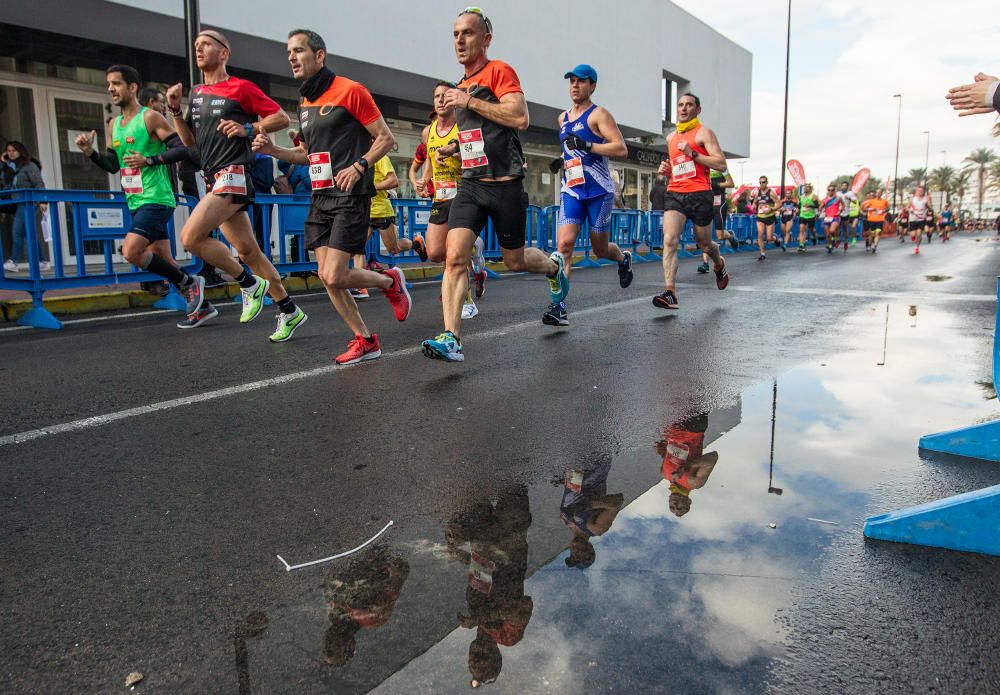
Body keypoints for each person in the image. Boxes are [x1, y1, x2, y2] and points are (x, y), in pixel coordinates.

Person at [420, 8, 568, 362]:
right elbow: (478, 134)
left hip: (505, 184)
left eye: (467, 33)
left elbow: (519, 117)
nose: (459, 40)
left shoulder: (498, 71)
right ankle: (451, 337)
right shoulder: (458, 88)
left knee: (514, 261)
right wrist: (455, 147)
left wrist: (469, 101)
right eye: (455, 33)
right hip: (470, 185)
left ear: (485, 39)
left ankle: (553, 267)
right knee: (454, 258)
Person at [254, 29, 411, 364]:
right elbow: (306, 155)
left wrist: (359, 166)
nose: (292, 58)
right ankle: (365, 339)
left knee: (335, 274)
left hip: (351, 195)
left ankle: (388, 280)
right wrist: (273, 149)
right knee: (327, 277)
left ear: (319, 55)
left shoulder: (351, 90)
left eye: (299, 51)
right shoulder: (305, 102)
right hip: (321, 195)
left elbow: (385, 139)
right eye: (289, 53)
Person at [166, 29, 307, 339]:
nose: (199, 49)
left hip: (234, 174)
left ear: (224, 53)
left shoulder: (240, 87)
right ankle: (289, 310)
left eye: (205, 44)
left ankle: (249, 283)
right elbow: (191, 143)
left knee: (190, 237)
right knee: (249, 252)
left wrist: (248, 127)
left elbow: (281, 118)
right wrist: (176, 110)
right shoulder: (198, 93)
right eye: (196, 45)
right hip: (213, 176)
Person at [74, 65, 206, 319]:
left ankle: (190, 284)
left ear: (132, 87)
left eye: (116, 83)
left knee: (131, 251)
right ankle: (202, 308)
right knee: (164, 260)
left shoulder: (150, 118)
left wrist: (151, 160)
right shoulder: (113, 125)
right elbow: (114, 165)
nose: (111, 89)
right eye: (108, 84)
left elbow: (183, 149)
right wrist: (90, 152)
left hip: (157, 198)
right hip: (135, 200)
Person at [542, 64, 631, 327]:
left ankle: (622, 258)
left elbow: (621, 148)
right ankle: (559, 307)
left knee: (599, 248)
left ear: (592, 86)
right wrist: (561, 160)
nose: (574, 86)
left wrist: (590, 144)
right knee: (564, 246)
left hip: (598, 192)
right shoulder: (563, 118)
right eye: (571, 81)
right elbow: (572, 150)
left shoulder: (599, 115)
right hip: (572, 189)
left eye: (581, 81)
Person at [653, 93, 729, 309]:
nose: (684, 109)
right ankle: (670, 293)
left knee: (704, 244)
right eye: (680, 105)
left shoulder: (704, 133)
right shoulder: (671, 138)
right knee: (669, 239)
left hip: (700, 194)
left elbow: (721, 164)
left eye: (689, 105)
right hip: (675, 192)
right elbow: (679, 169)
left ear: (698, 110)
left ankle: (718, 263)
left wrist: (693, 154)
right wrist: (667, 172)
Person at [419, 81, 487, 319]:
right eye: (436, 96)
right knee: (436, 252)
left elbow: (479, 157)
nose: (439, 100)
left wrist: (456, 152)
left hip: (464, 194)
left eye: (445, 96)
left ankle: (466, 300)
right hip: (441, 196)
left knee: (454, 254)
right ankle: (475, 248)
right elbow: (429, 161)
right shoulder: (428, 131)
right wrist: (424, 182)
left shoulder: (464, 126)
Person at [560, 456, 623, 569]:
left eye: (572, 555)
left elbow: (572, 489)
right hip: (594, 464)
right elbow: (616, 503)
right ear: (590, 550)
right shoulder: (596, 528)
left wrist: (564, 477)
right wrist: (585, 506)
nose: (574, 551)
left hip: (573, 464)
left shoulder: (565, 521)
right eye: (579, 555)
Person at [656, 411, 720, 518]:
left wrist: (660, 448)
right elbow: (713, 457)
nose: (675, 504)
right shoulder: (695, 483)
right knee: (693, 396)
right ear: (688, 501)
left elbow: (669, 453)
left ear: (669, 501)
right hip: (693, 429)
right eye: (680, 507)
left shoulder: (664, 474)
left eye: (672, 506)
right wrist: (687, 467)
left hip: (671, 428)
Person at [2, 141, 49, 273]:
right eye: (8, 151)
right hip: (17, 203)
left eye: (13, 150)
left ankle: (14, 261)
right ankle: (43, 261)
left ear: (20, 151)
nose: (11, 153)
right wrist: (3, 161)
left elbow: (39, 183)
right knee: (29, 233)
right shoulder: (11, 167)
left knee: (17, 231)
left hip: (28, 202)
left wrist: (43, 201)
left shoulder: (29, 166)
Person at [698, 168, 736, 273]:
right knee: (704, 237)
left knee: (719, 235)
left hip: (719, 202)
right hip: (706, 202)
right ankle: (705, 264)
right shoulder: (702, 165)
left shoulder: (721, 166)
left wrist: (716, 185)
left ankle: (731, 237)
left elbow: (731, 183)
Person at [752, 175, 780, 261]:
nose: (761, 184)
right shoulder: (757, 192)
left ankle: (775, 239)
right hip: (760, 216)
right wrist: (753, 205)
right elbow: (755, 200)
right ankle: (762, 254)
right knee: (760, 234)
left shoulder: (772, 193)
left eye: (763, 182)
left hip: (770, 217)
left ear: (767, 183)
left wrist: (771, 209)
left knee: (769, 238)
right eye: (760, 182)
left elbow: (779, 204)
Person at [904, 185, 932, 255]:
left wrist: (929, 206)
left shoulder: (925, 199)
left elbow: (930, 208)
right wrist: (910, 210)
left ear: (923, 192)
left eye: (921, 191)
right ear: (916, 191)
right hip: (913, 219)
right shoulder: (912, 199)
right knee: (913, 234)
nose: (920, 192)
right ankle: (913, 236)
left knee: (919, 234)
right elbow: (906, 208)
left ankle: (917, 247)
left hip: (921, 219)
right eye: (919, 190)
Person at [860, 188, 888, 254]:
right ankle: (869, 245)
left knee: (878, 233)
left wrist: (884, 211)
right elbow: (863, 208)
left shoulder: (884, 201)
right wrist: (870, 209)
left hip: (880, 219)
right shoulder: (871, 201)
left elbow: (887, 208)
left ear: (881, 194)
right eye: (877, 192)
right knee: (872, 234)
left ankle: (875, 246)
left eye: (880, 193)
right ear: (876, 193)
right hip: (871, 219)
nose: (878, 194)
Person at [820, 184, 843, 254]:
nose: (830, 191)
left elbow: (843, 206)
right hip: (827, 218)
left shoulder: (838, 198)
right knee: (828, 234)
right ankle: (830, 245)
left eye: (832, 190)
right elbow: (820, 207)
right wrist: (821, 209)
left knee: (832, 231)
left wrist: (839, 211)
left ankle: (834, 239)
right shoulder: (825, 199)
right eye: (829, 190)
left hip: (835, 217)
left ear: (834, 190)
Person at [797, 182, 819, 250]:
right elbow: (800, 206)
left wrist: (809, 205)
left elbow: (817, 206)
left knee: (811, 229)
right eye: (805, 187)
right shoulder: (801, 196)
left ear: (810, 189)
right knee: (801, 230)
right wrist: (797, 209)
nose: (805, 188)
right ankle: (801, 245)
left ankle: (814, 236)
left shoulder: (813, 196)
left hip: (811, 216)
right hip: (803, 215)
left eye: (807, 187)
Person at [836, 181, 856, 253]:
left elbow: (855, 202)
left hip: (846, 213)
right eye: (843, 185)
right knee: (836, 227)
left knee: (845, 229)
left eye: (845, 186)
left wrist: (849, 198)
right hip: (838, 213)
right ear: (841, 186)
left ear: (847, 187)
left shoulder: (850, 193)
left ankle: (845, 242)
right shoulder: (837, 193)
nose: (844, 187)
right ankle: (838, 240)